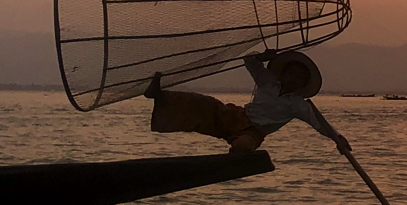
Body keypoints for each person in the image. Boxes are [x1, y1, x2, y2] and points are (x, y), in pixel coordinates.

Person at [145, 50, 349, 155]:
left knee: (243, 147)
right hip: (234, 115)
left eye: (299, 77)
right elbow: (249, 61)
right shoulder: (267, 80)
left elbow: (319, 123)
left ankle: (231, 160)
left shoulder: (297, 104)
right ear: (284, 73)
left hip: (253, 132)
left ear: (303, 84)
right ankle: (159, 95)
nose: (294, 78)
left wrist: (337, 138)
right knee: (197, 103)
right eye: (292, 73)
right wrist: (262, 56)